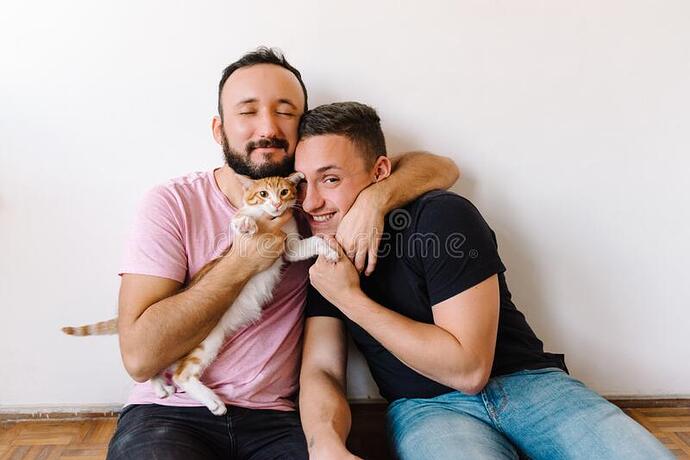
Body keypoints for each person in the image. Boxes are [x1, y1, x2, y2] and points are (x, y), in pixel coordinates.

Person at [106, 48, 459, 460]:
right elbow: (139, 358)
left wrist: (373, 202)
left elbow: (441, 167)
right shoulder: (173, 203)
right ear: (219, 130)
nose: (268, 128)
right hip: (168, 412)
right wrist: (243, 261)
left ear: (302, 126)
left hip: (275, 419)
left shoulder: (315, 202)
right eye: (248, 111)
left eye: (285, 112)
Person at [297, 101, 673, 460]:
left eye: (330, 179)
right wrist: (325, 445)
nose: (311, 203)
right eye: (302, 185)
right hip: (427, 410)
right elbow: (323, 369)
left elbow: (469, 369)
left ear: (380, 172)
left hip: (529, 385)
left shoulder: (440, 218)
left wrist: (349, 298)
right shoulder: (322, 261)